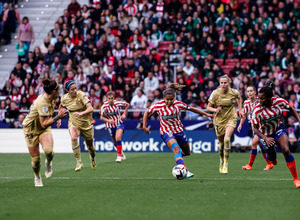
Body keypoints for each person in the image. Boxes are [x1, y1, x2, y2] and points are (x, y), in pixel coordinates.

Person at [142, 83, 213, 178]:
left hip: (179, 131)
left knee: (187, 152)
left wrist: (206, 114)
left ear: (174, 98)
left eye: (171, 99)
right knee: (176, 149)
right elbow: (147, 112)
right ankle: (184, 170)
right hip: (166, 132)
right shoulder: (158, 105)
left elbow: (191, 108)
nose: (169, 101)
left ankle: (179, 159)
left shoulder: (178, 104)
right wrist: (144, 126)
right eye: (167, 99)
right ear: (164, 98)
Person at [252, 80, 300, 188]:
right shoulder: (257, 110)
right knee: (272, 158)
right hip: (264, 134)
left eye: (262, 98)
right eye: (259, 98)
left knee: (286, 150)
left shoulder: (279, 101)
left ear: (269, 98)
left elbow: (291, 109)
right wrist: (265, 137)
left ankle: (296, 179)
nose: (260, 100)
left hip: (278, 129)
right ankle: (272, 158)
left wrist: (299, 120)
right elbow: (255, 129)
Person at [22, 79, 67, 187]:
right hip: (31, 129)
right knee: (36, 159)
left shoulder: (52, 97)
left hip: (43, 129)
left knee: (49, 151)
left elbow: (47, 117)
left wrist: (57, 115)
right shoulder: (42, 102)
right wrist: (58, 117)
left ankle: (48, 163)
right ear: (54, 91)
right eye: (58, 88)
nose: (60, 89)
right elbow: (44, 123)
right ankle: (37, 177)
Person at [207, 75, 243, 174]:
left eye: (225, 83)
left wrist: (240, 110)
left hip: (231, 117)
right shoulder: (215, 93)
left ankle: (226, 164)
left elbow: (239, 98)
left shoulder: (233, 92)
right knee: (222, 143)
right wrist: (215, 109)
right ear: (219, 83)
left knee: (227, 139)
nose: (223, 85)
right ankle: (221, 161)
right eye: (222, 83)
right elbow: (208, 107)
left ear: (229, 83)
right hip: (219, 120)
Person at [61, 80, 97, 171]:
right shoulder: (64, 98)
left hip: (86, 124)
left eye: (75, 88)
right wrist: (59, 118)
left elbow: (91, 108)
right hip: (74, 123)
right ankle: (79, 162)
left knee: (90, 147)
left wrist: (82, 113)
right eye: (72, 89)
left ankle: (92, 158)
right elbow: (61, 106)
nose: (75, 91)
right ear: (67, 91)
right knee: (73, 138)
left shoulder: (81, 95)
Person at [237, 85, 274, 170]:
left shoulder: (260, 100)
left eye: (251, 91)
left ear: (255, 92)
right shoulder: (246, 103)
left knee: (254, 143)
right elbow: (245, 115)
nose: (249, 93)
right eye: (248, 91)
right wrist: (240, 124)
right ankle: (269, 163)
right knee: (260, 145)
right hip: (255, 126)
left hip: (263, 125)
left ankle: (250, 165)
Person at [100, 91, 130, 162]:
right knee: (115, 142)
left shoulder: (117, 103)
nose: (111, 100)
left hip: (118, 123)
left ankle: (118, 156)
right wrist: (108, 121)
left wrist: (124, 114)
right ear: (107, 99)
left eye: (112, 98)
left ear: (114, 98)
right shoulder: (104, 106)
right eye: (109, 98)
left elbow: (127, 104)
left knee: (118, 138)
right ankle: (121, 152)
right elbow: (101, 117)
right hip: (110, 126)